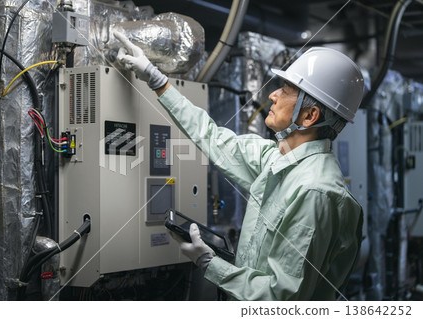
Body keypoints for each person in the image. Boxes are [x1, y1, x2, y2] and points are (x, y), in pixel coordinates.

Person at [114, 32, 364, 301]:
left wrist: (212, 265)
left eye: (287, 90)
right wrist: (157, 80)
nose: (273, 95)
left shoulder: (315, 192)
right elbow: (211, 136)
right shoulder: (277, 159)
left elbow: (282, 298)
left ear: (309, 115)